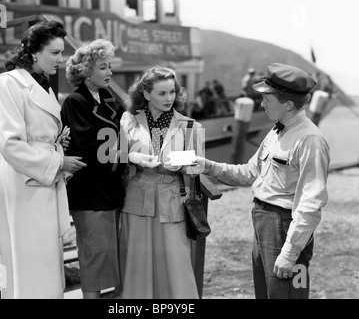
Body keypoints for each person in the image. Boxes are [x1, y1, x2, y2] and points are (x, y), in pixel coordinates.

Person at [194, 63, 330, 299]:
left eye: (267, 98)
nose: (261, 103)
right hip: (264, 222)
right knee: (267, 294)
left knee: (287, 294)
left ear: (288, 104)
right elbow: (250, 172)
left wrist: (290, 252)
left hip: (285, 226)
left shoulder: (309, 140)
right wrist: (208, 166)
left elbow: (311, 202)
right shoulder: (278, 131)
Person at [0, 20, 86, 299]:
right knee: (27, 258)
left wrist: (56, 143)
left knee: (44, 257)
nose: (61, 59)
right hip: (23, 181)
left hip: (42, 177)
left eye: (61, 52)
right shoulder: (9, 84)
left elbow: (37, 134)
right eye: (55, 53)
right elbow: (10, 143)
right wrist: (57, 162)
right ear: (34, 53)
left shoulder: (42, 85)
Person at [119, 66, 204, 299]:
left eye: (172, 92)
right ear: (146, 94)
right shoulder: (128, 120)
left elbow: (199, 163)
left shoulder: (190, 125)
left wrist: (179, 161)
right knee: (138, 266)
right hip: (138, 199)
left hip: (172, 200)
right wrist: (133, 157)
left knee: (177, 267)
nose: (169, 98)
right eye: (162, 93)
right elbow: (117, 155)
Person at [60, 39, 126, 299]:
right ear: (86, 72)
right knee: (94, 255)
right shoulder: (75, 102)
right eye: (103, 67)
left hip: (112, 187)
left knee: (114, 254)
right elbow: (86, 145)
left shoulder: (111, 100)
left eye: (109, 66)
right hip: (89, 190)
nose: (109, 72)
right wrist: (123, 155)